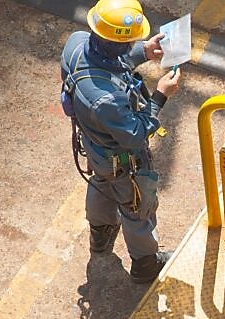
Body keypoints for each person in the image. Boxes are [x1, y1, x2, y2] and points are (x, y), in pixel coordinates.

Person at [59, 0, 181, 283]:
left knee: (102, 186)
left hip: (95, 147)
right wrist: (161, 95)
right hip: (122, 158)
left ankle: (100, 239)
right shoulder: (107, 100)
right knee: (137, 207)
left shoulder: (76, 44)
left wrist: (143, 51)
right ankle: (145, 265)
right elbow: (136, 133)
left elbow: (106, 60)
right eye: (131, 42)